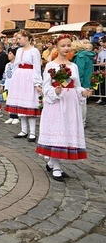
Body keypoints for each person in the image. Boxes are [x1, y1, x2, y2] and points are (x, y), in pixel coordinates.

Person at [36, 34, 92, 182]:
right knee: (57, 131)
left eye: (68, 45)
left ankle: (52, 163)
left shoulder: (73, 66)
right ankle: (56, 167)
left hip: (70, 103)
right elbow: (46, 86)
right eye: (63, 46)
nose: (66, 48)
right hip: (56, 104)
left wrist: (83, 92)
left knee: (66, 131)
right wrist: (55, 91)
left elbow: (77, 86)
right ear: (57, 47)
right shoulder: (50, 65)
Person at [5, 30, 43, 141]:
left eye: (19, 38)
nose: (18, 41)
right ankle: (23, 130)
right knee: (20, 104)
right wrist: (14, 79)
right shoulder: (19, 50)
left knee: (29, 105)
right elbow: (16, 65)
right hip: (19, 78)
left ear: (26, 38)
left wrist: (37, 82)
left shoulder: (34, 51)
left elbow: (36, 67)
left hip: (29, 78)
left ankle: (32, 132)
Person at [71, 39, 95, 127]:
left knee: (81, 103)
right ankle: (81, 121)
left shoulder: (80, 56)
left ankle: (81, 122)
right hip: (86, 80)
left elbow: (79, 71)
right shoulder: (85, 55)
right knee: (82, 102)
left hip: (82, 82)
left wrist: (77, 84)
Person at [0, 48, 20, 124]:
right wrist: (2, 85)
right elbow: (5, 75)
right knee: (9, 101)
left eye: (10, 53)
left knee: (15, 101)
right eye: (8, 53)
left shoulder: (17, 65)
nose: (9, 55)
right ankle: (11, 115)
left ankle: (16, 116)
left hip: (15, 85)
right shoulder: (7, 65)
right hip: (8, 85)